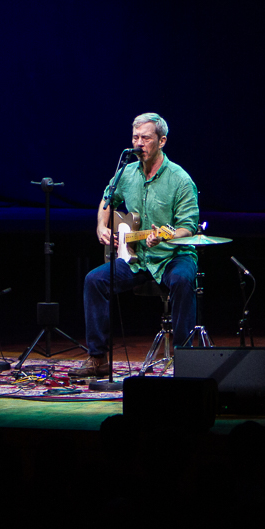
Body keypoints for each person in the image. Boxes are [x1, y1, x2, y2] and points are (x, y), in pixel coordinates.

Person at [74, 113, 199, 379]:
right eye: (135, 137)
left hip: (173, 255)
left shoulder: (180, 179)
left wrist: (165, 236)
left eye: (146, 138)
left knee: (181, 280)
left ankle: (185, 357)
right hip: (138, 258)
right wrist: (101, 226)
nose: (139, 143)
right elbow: (107, 199)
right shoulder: (127, 172)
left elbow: (188, 227)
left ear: (162, 141)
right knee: (94, 280)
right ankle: (98, 359)